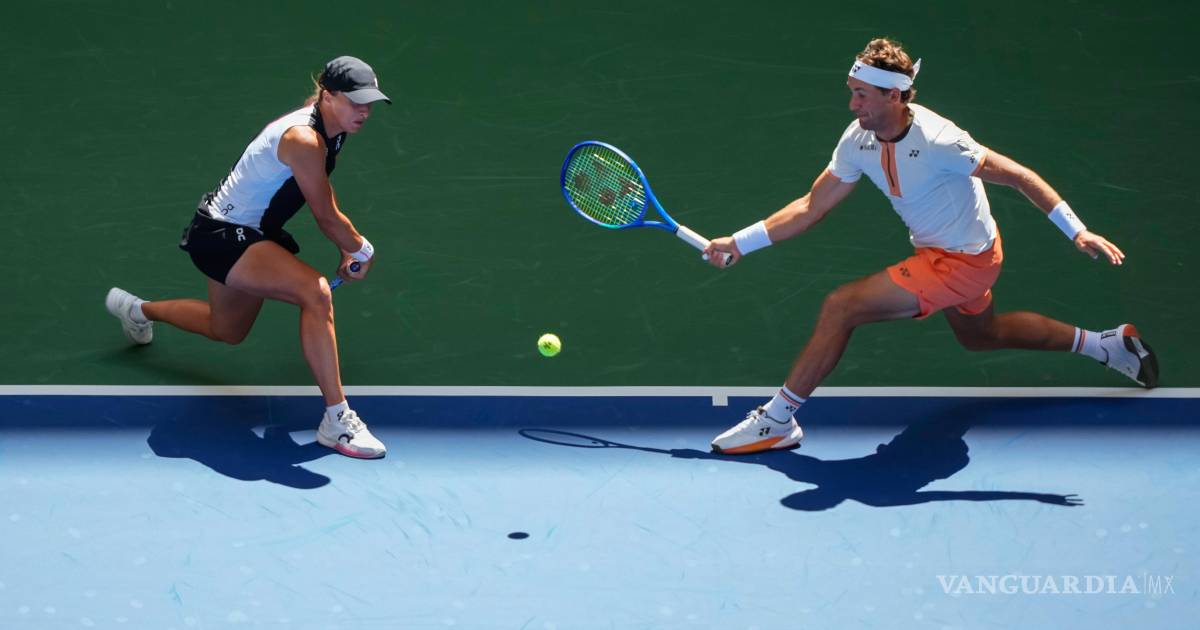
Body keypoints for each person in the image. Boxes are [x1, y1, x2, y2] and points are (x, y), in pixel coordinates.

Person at [703, 38, 1158, 455]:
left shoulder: (941, 140)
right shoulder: (858, 139)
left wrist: (1076, 230)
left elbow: (1019, 176)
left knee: (842, 306)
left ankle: (778, 419)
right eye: (852, 92)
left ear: (894, 96)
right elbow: (811, 206)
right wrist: (740, 242)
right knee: (982, 336)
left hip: (965, 261)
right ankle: (1106, 345)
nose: (852, 104)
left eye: (862, 94)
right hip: (944, 253)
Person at [105, 55, 391, 459]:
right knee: (316, 293)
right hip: (223, 235)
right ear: (327, 96)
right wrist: (360, 248)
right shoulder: (304, 139)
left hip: (246, 231)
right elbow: (326, 215)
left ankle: (137, 310)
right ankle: (337, 421)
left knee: (226, 329)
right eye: (355, 101)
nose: (364, 111)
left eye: (370, 103)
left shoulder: (334, 128)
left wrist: (348, 244)